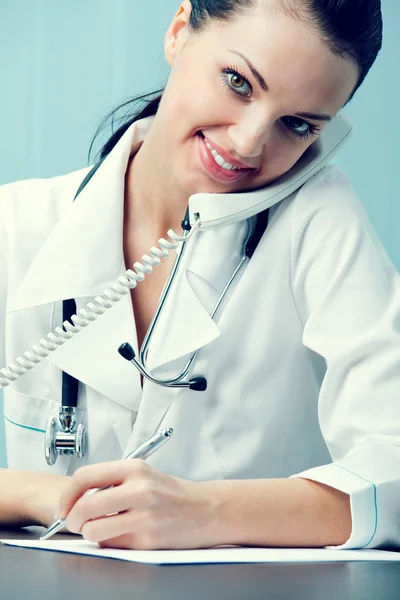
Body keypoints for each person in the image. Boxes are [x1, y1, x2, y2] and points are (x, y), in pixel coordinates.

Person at [0, 0, 398, 551]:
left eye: (298, 124)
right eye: (238, 82)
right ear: (180, 29)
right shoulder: (17, 224)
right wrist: (43, 496)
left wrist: (205, 512)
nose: (248, 143)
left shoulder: (320, 217)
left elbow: (394, 466)